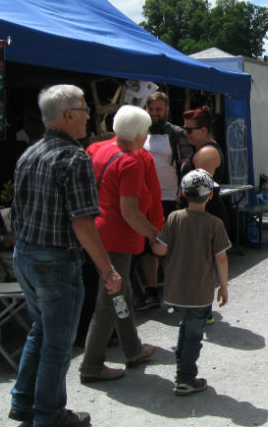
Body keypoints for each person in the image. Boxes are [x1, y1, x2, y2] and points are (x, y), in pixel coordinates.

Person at [9, 84, 121, 427]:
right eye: (85, 109)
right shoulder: (73, 157)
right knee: (57, 344)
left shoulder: (30, 152)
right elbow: (84, 224)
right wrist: (108, 269)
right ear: (69, 114)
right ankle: (49, 415)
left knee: (41, 331)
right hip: (54, 261)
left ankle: (24, 403)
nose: (90, 116)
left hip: (26, 254)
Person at [78, 105, 160, 383]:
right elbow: (130, 211)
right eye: (146, 131)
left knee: (121, 293)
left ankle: (132, 349)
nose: (147, 136)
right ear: (137, 133)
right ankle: (91, 365)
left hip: (99, 232)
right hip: (117, 238)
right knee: (109, 299)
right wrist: (153, 234)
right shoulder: (132, 160)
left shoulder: (98, 149)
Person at [152, 169, 231, 396]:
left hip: (175, 291)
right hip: (200, 292)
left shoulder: (174, 218)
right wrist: (223, 286)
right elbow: (221, 257)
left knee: (185, 328)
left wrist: (153, 243)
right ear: (210, 196)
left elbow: (161, 249)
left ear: (184, 195)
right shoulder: (214, 224)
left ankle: (181, 371)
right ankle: (186, 378)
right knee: (194, 334)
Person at [136, 91, 193, 311]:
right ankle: (151, 292)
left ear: (166, 109)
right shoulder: (141, 132)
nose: (154, 113)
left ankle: (174, 292)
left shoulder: (176, 133)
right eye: (151, 109)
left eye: (158, 109)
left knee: (168, 247)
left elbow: (186, 165)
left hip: (169, 196)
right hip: (146, 197)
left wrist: (185, 195)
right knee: (147, 247)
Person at [181, 106, 229, 237]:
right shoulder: (202, 150)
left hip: (204, 219)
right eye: (184, 129)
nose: (186, 133)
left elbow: (199, 193)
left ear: (203, 130)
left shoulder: (207, 153)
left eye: (189, 130)